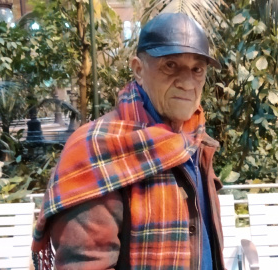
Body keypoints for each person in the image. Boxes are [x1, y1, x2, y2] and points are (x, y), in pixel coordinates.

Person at [32, 13, 226, 270]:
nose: (188, 83)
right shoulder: (96, 149)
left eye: (197, 69)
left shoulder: (194, 139)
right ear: (138, 69)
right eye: (170, 65)